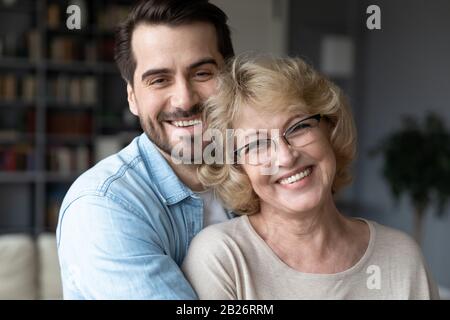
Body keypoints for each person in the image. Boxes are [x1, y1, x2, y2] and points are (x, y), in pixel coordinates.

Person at [181, 54, 440, 299]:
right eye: (257, 144)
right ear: (238, 168)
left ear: (330, 128)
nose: (285, 157)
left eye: (299, 127)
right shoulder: (222, 258)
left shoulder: (401, 258)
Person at [56, 0, 234, 299]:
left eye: (202, 73)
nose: (184, 100)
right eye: (159, 80)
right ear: (132, 98)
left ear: (232, 78)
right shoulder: (103, 206)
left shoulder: (259, 168)